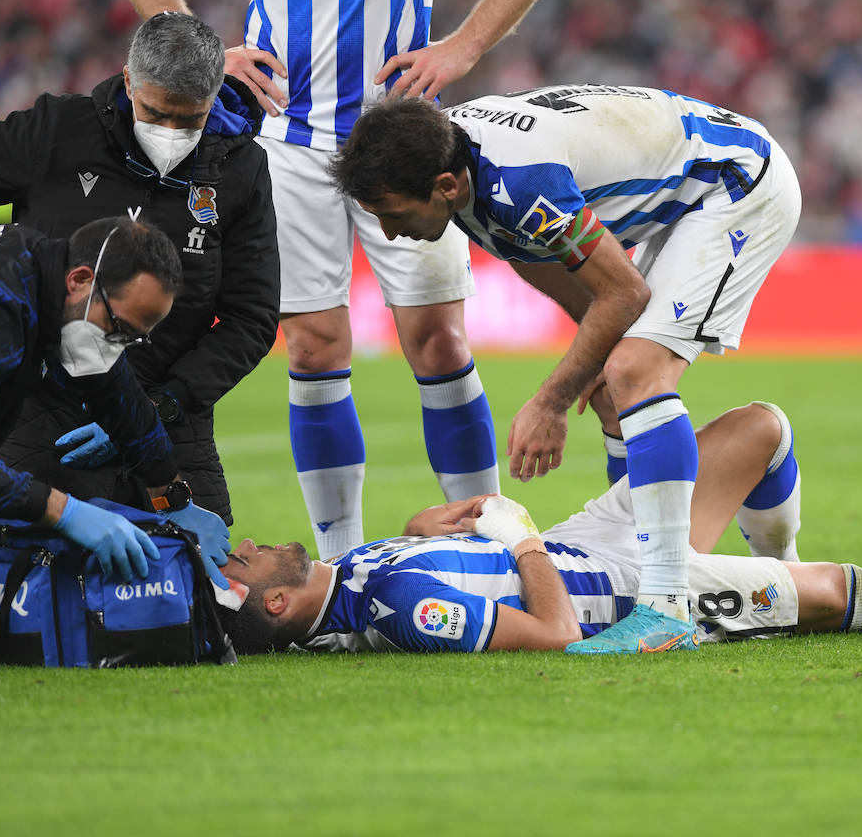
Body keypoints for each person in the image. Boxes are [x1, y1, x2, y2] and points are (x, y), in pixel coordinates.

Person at [113, 0, 574, 562]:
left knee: (440, 343)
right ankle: (341, 567)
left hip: (405, 127)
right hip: (286, 133)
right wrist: (197, 54)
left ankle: (492, 549)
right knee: (311, 347)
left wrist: (468, 43)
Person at [329, 88, 803, 652]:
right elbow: (560, 274)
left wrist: (551, 402)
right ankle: (664, 566)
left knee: (634, 370)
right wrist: (589, 368)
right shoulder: (449, 161)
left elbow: (623, 294)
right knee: (611, 376)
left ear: (446, 188)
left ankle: (665, 603)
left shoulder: (521, 182)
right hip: (684, 194)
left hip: (736, 183)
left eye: (394, 214)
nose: (387, 232)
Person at [215, 401, 862, 656]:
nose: (248, 546)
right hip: (626, 588)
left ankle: (769, 571)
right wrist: (521, 542)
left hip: (595, 536)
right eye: (249, 565)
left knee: (760, 428)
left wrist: (435, 520)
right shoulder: (403, 610)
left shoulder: (354, 572)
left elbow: (428, 547)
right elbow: (553, 634)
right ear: (282, 601)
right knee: (838, 591)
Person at [0, 12, 279, 533]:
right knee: (41, 588)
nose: (172, 133)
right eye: (158, 113)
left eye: (191, 120)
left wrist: (164, 405)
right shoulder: (57, 130)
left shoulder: (239, 169)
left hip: (171, 415)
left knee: (210, 591)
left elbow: (252, 317)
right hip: (49, 407)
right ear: (129, 81)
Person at [0, 217, 232, 666]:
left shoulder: (41, 279)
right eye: (120, 329)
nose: (119, 346)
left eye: (135, 338)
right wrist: (64, 510)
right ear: (81, 280)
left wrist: (173, 496)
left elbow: (120, 398)